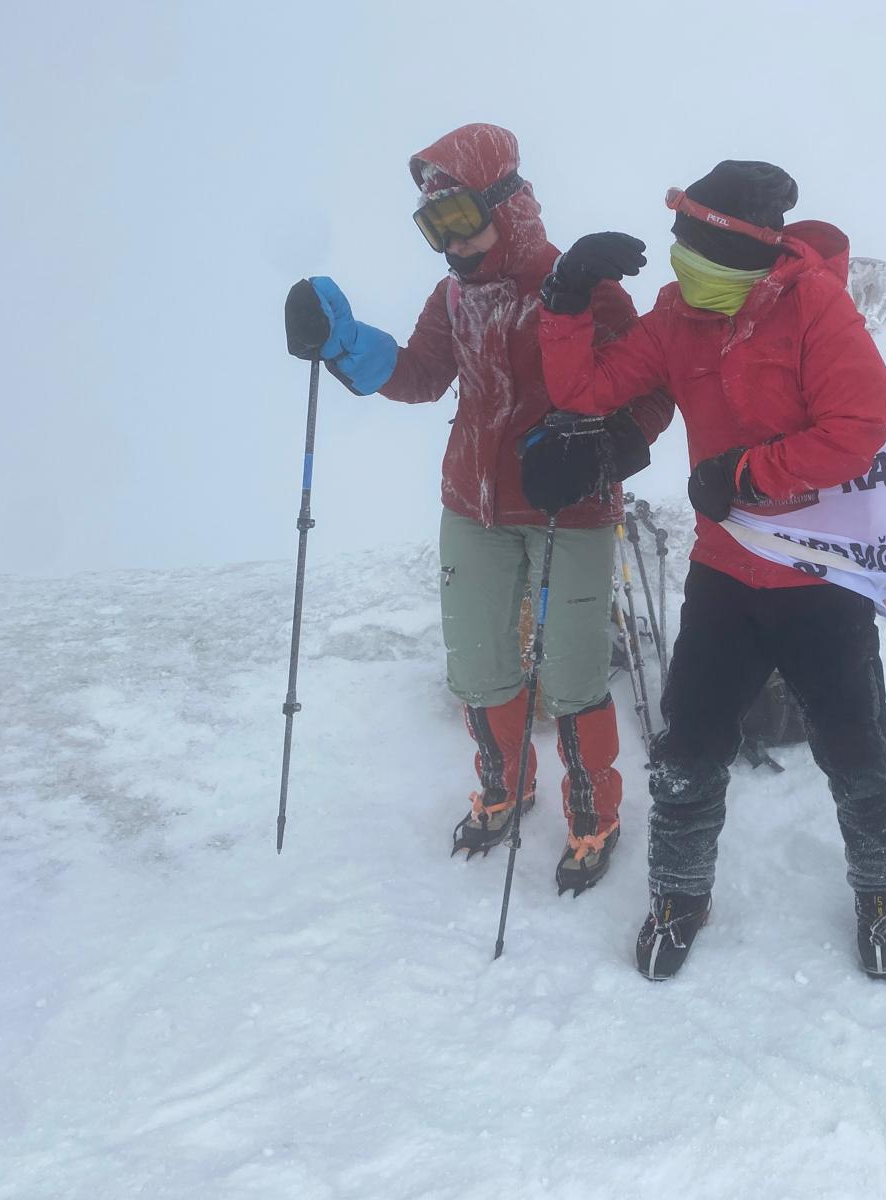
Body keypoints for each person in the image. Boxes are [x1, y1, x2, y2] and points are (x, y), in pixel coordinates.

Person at [523, 161, 886, 981]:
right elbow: (589, 388)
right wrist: (566, 300)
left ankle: (885, 891)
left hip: (820, 576)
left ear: (744, 255)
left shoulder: (816, 309)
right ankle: (679, 892)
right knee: (689, 749)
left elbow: (857, 430)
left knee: (857, 751)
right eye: (678, 241)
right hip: (726, 575)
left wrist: (744, 476)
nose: (679, 260)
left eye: (696, 246)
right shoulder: (677, 315)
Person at [283, 123, 672, 895]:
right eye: (433, 228)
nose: (449, 245)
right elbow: (421, 374)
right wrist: (342, 343)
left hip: (572, 511)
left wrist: (606, 450)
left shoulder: (582, 284)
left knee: (572, 676)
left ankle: (593, 813)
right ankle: (504, 789)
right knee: (481, 666)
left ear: (508, 202)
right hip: (473, 505)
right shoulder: (451, 296)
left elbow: (650, 389)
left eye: (458, 220)